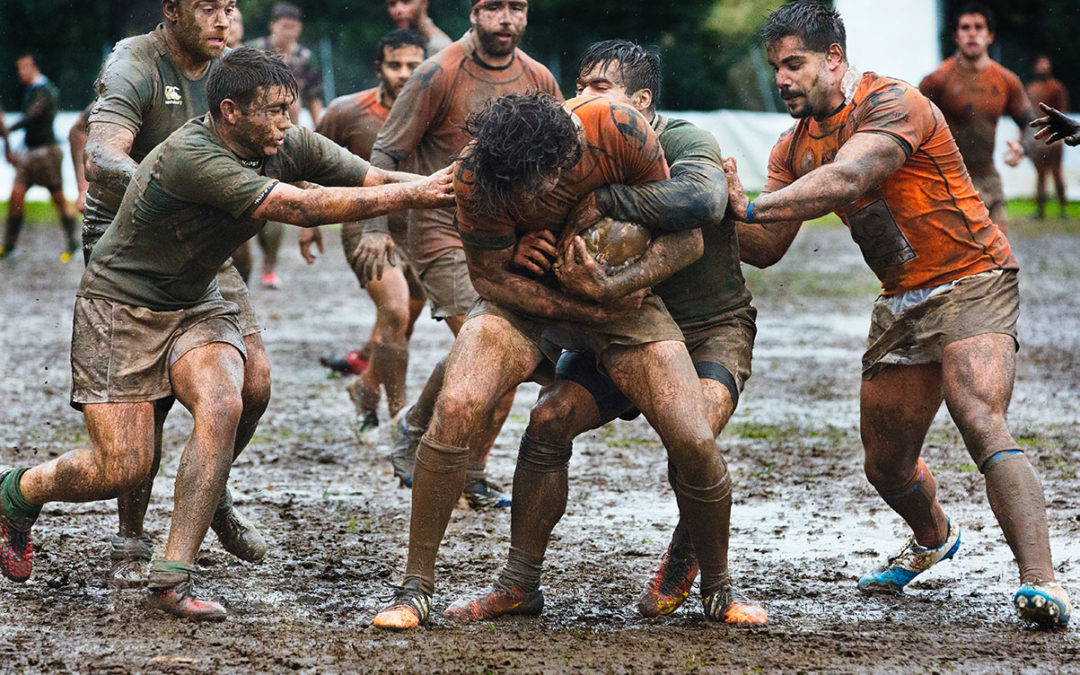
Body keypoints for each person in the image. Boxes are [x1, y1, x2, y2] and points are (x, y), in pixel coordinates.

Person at [0, 46, 455, 621]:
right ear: (231, 111)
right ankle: (18, 491)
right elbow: (303, 209)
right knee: (121, 467)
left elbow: (370, 175)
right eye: (274, 111)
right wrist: (421, 193)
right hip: (121, 306)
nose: (287, 123)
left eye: (290, 109)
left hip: (197, 300)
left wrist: (447, 184)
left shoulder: (284, 140)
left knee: (223, 403)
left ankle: (172, 576)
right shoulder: (194, 154)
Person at [723, 0, 1069, 628]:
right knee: (885, 465)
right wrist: (711, 212)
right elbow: (767, 248)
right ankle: (935, 538)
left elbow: (851, 178)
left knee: (977, 412)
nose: (782, 80)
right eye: (777, 67)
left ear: (834, 58)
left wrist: (747, 207)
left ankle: (1042, 583)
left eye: (795, 64)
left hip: (974, 276)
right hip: (902, 300)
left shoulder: (893, 101)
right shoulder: (792, 147)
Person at [373, 92, 740, 632]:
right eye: (515, 194)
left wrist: (615, 286)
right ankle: (417, 589)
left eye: (536, 188)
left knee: (691, 436)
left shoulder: (620, 132)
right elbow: (491, 278)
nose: (528, 200)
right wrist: (562, 286)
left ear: (563, 156)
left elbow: (685, 242)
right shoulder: (478, 171)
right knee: (457, 406)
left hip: (622, 297)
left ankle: (719, 589)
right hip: (522, 297)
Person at [444, 40, 766, 625]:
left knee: (695, 433)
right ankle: (519, 584)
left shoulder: (684, 140)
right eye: (581, 84)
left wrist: (608, 198)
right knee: (548, 418)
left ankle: (699, 566)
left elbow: (701, 197)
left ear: (639, 101)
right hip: (621, 325)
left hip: (708, 328)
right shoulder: (572, 149)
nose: (580, 98)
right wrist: (523, 244)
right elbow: (516, 217)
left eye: (599, 89)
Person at [82, 0, 270, 588]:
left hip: (204, 246)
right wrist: (170, 186)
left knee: (254, 385)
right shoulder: (135, 63)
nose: (222, 18)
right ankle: (132, 535)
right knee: (151, 396)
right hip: (128, 243)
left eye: (230, 6)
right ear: (171, 10)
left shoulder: (231, 71)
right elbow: (100, 155)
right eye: (207, 7)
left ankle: (209, 491)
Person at [365, 0, 561, 505]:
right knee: (485, 343)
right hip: (439, 229)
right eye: (493, 7)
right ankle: (414, 433)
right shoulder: (438, 72)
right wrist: (371, 224)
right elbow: (386, 151)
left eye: (516, 7)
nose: (506, 18)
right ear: (474, 13)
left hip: (507, 232)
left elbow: (564, 153)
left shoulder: (538, 77)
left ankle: (471, 467)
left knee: (510, 351)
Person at [306, 29, 428, 436]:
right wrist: (308, 224)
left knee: (400, 326)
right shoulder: (347, 111)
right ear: (379, 68)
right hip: (364, 225)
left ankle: (366, 388)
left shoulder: (434, 109)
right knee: (393, 311)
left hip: (420, 227)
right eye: (396, 65)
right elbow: (307, 161)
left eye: (414, 66)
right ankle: (400, 418)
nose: (404, 74)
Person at [919, 2, 1035, 234]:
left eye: (979, 27)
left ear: (990, 35)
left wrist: (1022, 148)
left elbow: (1031, 125)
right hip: (948, 183)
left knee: (1000, 261)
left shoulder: (1005, 80)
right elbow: (912, 124)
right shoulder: (938, 79)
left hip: (989, 180)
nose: (972, 33)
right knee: (956, 264)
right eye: (965, 27)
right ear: (956, 35)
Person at [246, 2, 325, 289]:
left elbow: (315, 95)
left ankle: (269, 267)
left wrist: (318, 131)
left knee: (276, 195)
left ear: (299, 28)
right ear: (273, 26)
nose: (288, 32)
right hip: (254, 130)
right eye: (283, 26)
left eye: (293, 27)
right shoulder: (254, 51)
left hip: (289, 130)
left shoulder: (305, 58)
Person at [1, 54, 78, 261]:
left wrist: (8, 128)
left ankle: (74, 242)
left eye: (24, 68)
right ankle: (8, 246)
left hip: (46, 154)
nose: (20, 73)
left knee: (59, 199)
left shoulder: (45, 90)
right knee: (16, 196)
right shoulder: (32, 91)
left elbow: (32, 116)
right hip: (30, 153)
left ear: (35, 67)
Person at [1025, 56, 1069, 218]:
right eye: (1040, 65)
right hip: (1037, 138)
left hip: (1054, 136)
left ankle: (1063, 209)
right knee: (1040, 175)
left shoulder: (1057, 87)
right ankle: (1040, 210)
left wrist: (1059, 134)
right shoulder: (1030, 88)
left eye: (1045, 65)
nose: (1043, 68)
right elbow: (1026, 115)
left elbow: (1063, 111)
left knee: (1057, 173)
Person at [386, 0, 453, 54]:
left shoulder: (438, 46)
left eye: (406, 2)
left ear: (424, 2)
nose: (398, 10)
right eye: (392, 4)